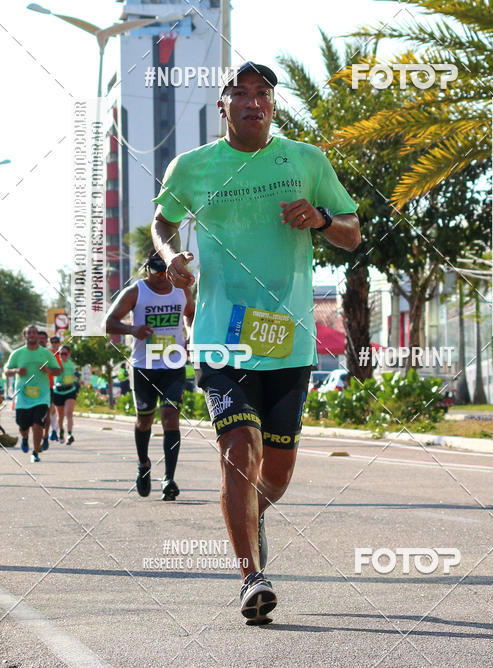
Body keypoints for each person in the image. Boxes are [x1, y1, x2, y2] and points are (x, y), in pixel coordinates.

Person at [151, 61, 360, 622]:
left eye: (263, 93)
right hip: (223, 338)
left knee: (277, 473)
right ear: (222, 107)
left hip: (289, 343)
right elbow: (163, 220)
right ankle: (251, 577)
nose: (252, 101)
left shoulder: (305, 160)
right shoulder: (192, 167)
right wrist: (172, 257)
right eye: (239, 93)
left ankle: (248, 512)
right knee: (238, 450)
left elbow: (352, 231)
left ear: (273, 105)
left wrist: (318, 219)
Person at [105, 253, 195, 501]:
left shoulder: (181, 290)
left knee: (170, 417)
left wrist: (189, 336)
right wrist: (132, 329)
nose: (160, 280)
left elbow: (191, 314)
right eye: (154, 274)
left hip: (173, 365)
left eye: (164, 274)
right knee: (144, 421)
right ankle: (143, 465)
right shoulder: (136, 292)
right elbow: (108, 322)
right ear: (146, 271)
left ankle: (169, 479)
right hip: (144, 366)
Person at [3, 325, 61, 462]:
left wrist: (48, 370)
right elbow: (6, 370)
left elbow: (58, 370)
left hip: (42, 396)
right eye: (29, 333)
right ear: (25, 336)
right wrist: (16, 371)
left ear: (37, 336)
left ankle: (35, 452)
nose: (32, 335)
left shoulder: (46, 353)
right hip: (23, 396)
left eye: (34, 333)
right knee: (22, 425)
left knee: (37, 423)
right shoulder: (17, 353)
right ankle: (24, 438)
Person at [52, 345, 79, 444]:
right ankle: (61, 432)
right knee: (60, 415)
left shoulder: (72, 364)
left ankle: (70, 434)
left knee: (69, 413)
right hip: (58, 391)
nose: (63, 355)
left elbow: (74, 375)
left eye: (65, 353)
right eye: (61, 353)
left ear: (69, 354)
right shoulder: (56, 364)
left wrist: (77, 380)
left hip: (70, 390)